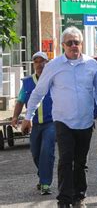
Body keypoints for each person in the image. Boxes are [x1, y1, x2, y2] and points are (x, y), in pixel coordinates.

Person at [21, 27, 97, 208]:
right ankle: (64, 199)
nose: (73, 46)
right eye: (69, 43)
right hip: (63, 121)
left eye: (77, 42)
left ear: (81, 44)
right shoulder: (53, 66)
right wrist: (28, 116)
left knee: (81, 162)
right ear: (63, 45)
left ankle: (79, 197)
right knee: (65, 160)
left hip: (85, 121)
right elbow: (38, 92)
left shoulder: (92, 65)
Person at [11, 52, 54, 195]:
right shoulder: (28, 82)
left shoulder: (53, 80)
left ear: (47, 63)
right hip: (34, 124)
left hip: (51, 123)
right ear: (33, 64)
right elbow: (20, 100)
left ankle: (46, 183)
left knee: (47, 151)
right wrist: (15, 117)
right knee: (35, 153)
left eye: (42, 61)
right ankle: (42, 177)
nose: (40, 64)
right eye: (36, 61)